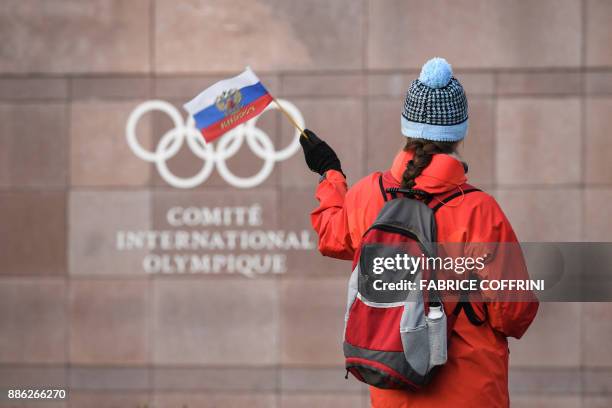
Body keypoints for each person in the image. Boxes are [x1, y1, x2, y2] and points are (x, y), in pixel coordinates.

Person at [299, 58, 539, 407]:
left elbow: (331, 235)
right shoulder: (479, 211)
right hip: (470, 392)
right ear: (458, 132)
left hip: (394, 389)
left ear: (407, 127)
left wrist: (330, 173)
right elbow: (515, 314)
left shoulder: (369, 194)